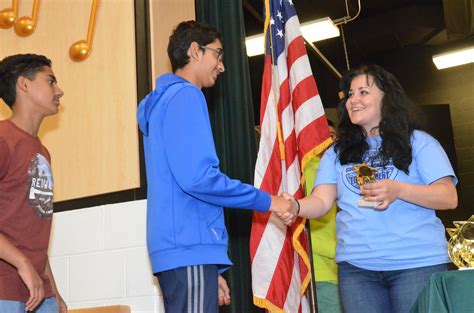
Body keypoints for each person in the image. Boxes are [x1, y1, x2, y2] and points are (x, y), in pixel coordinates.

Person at [137, 21, 295, 313]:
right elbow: (199, 180)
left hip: (181, 250)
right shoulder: (185, 95)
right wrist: (268, 201)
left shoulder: (162, 101)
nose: (221, 66)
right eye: (218, 55)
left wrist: (213, 269)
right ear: (195, 51)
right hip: (188, 247)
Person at [286, 64, 457, 313]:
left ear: (387, 98)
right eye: (350, 94)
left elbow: (448, 196)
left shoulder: (419, 142)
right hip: (356, 270)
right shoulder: (336, 153)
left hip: (417, 264)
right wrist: (295, 205)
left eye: (363, 92)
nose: (353, 99)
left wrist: (399, 190)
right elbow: (321, 201)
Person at [0, 54, 67, 312]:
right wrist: (22, 263)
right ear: (24, 85)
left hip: (40, 295)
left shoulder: (42, 152)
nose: (59, 91)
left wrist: (54, 291)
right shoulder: (4, 139)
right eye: (50, 81)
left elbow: (34, 229)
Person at [306, 119, 342, 313]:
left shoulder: (333, 170)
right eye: (326, 136)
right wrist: (341, 251)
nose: (330, 141)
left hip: (335, 272)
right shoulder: (311, 169)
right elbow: (303, 228)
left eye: (334, 136)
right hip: (318, 272)